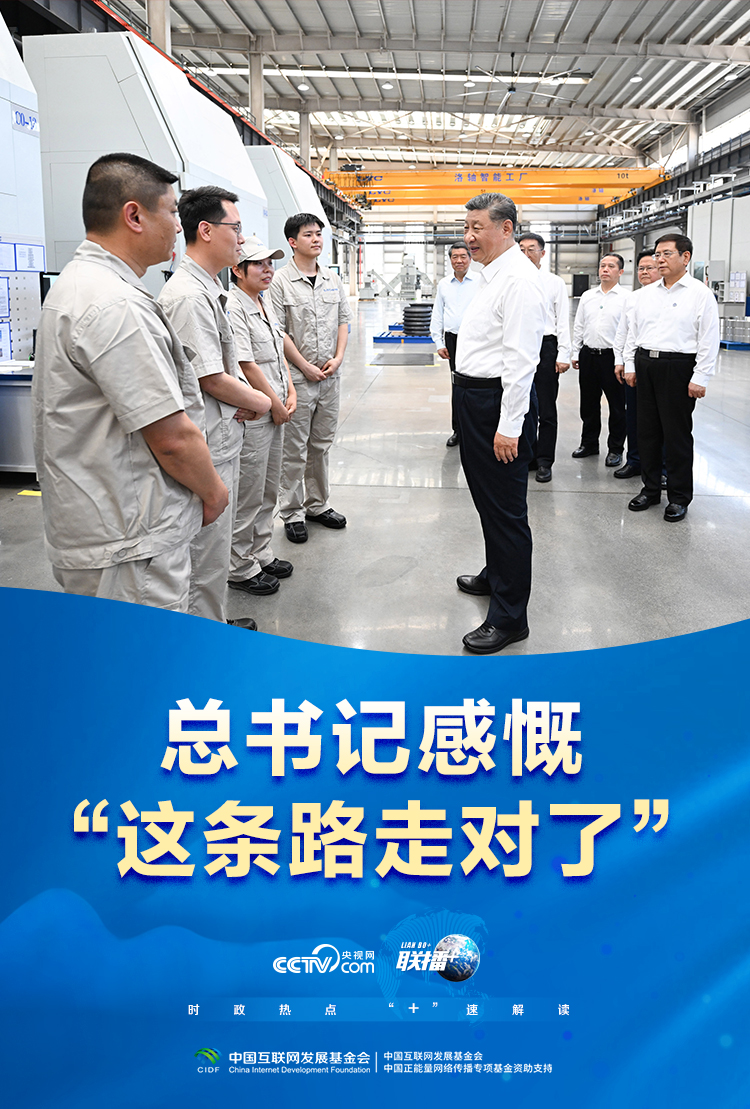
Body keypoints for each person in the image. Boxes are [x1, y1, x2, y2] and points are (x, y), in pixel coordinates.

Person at [32, 152, 229, 612]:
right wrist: (214, 492)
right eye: (172, 212)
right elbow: (172, 438)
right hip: (130, 540)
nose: (178, 227)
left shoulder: (81, 285)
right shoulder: (116, 305)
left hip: (104, 525)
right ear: (134, 216)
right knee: (145, 655)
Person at [158, 186, 271, 623]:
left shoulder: (208, 289)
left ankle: (214, 622)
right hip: (208, 442)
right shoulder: (189, 296)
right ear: (205, 230)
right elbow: (210, 377)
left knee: (215, 550)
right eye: (235, 228)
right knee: (204, 555)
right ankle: (205, 638)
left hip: (222, 436)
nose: (241, 239)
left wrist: (249, 399)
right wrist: (262, 400)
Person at [453, 193, 546, 655]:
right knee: (487, 501)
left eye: (478, 228)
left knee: (506, 511)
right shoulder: (491, 275)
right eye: (466, 227)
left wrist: (509, 426)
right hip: (475, 398)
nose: (469, 237)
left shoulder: (519, 281)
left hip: (496, 405)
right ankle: (496, 575)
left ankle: (510, 618)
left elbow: (521, 361)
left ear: (506, 228)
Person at [624, 234, 719, 522]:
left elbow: (709, 338)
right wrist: (630, 364)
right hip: (645, 364)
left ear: (685, 257)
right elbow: (633, 332)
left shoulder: (699, 294)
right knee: (647, 432)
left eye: (667, 253)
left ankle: (678, 497)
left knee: (676, 435)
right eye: (657, 254)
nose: (660, 259)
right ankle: (650, 489)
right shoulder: (646, 294)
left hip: (678, 367)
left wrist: (700, 376)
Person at [269, 213, 352, 544]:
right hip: (299, 379)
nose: (316, 239)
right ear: (292, 241)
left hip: (330, 377)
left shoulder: (331, 279)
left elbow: (343, 320)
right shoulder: (280, 281)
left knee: (320, 444)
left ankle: (317, 505)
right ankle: (292, 512)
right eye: (308, 234)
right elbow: (279, 331)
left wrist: (339, 358)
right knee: (294, 447)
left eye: (319, 233)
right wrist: (304, 367)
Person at [227, 238, 297, 597]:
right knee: (249, 491)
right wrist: (274, 404)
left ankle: (261, 552)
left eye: (271, 263)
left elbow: (277, 350)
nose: (268, 269)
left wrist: (291, 390)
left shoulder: (264, 300)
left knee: (269, 487)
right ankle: (239, 567)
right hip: (255, 413)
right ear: (238, 270)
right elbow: (246, 363)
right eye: (259, 264)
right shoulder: (233, 306)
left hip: (276, 407)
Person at [518, 232, 571, 482]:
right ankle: (527, 456)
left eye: (531, 249)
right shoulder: (511, 281)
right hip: (519, 347)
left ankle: (544, 461)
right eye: (521, 249)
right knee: (520, 404)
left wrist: (563, 354)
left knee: (546, 407)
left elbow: (563, 320)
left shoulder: (554, 282)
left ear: (542, 253)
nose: (526, 254)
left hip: (546, 347)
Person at [571, 254, 628, 467]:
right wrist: (576, 352)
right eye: (602, 265)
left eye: (611, 266)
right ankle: (589, 444)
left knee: (617, 406)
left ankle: (615, 449)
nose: (605, 269)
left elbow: (629, 331)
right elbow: (579, 325)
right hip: (589, 356)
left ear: (620, 272)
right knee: (588, 404)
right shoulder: (588, 296)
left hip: (613, 359)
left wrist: (623, 360)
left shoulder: (627, 298)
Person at [612, 249, 661, 481]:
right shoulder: (633, 298)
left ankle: (661, 467)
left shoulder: (668, 298)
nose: (644, 272)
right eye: (641, 268)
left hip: (661, 364)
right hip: (635, 362)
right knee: (634, 415)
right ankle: (634, 460)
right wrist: (620, 361)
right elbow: (624, 332)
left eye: (650, 268)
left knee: (660, 419)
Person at [429, 241, 479, 447]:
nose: (459, 261)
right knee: (457, 386)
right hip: (452, 340)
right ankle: (458, 430)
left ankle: (475, 431)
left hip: (476, 340)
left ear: (470, 258)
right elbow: (438, 313)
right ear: (450, 260)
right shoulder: (444, 284)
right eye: (455, 257)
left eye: (463, 256)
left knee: (476, 385)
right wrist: (438, 342)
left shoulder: (480, 281)